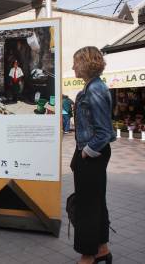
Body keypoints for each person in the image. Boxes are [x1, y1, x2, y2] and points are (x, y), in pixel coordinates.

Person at [70, 46, 116, 264]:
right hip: (92, 152)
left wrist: (87, 152)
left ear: (85, 63)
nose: (72, 67)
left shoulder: (95, 89)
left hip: (93, 153)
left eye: (75, 63)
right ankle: (102, 250)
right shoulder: (91, 88)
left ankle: (88, 256)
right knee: (96, 202)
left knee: (87, 205)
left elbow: (105, 132)